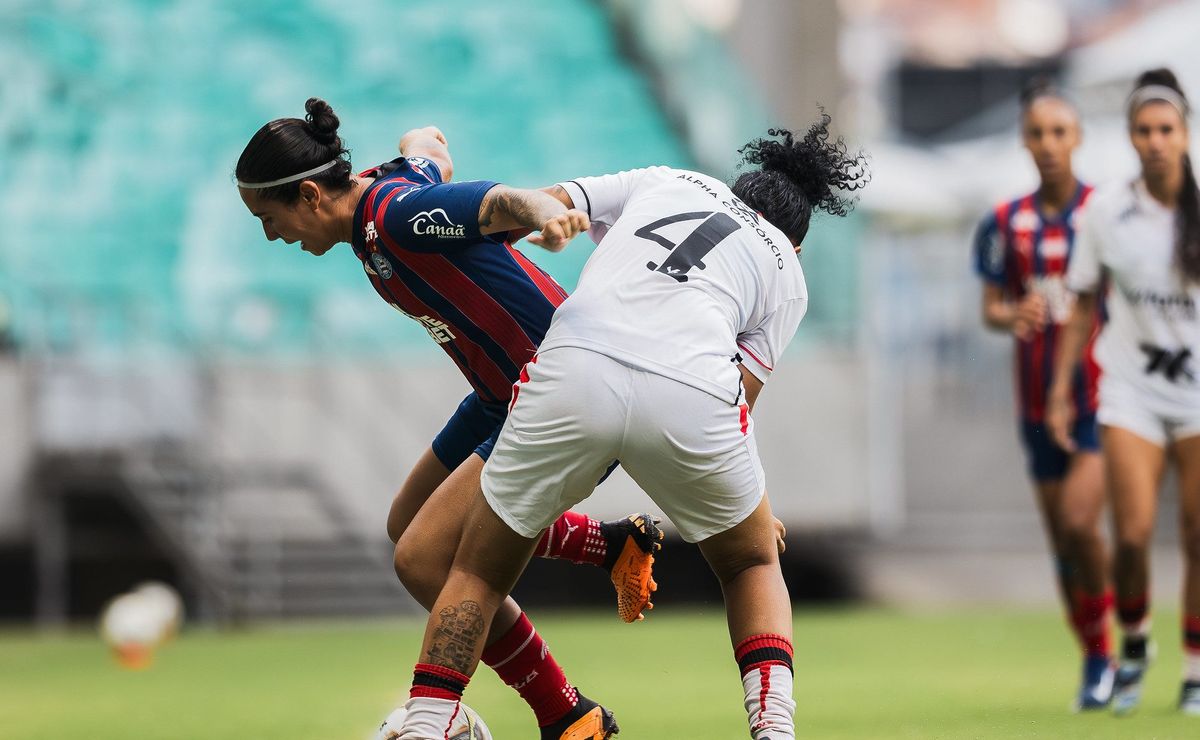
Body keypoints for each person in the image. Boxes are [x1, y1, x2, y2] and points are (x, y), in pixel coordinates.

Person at [395, 115, 869, 740]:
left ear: (735, 187)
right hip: (692, 392)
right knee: (751, 563)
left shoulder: (670, 180)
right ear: (797, 243)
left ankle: (427, 724)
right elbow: (740, 399)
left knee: (477, 571)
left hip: (575, 365)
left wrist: (545, 224)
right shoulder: (787, 268)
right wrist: (751, 507)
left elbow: (549, 203)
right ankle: (774, 727)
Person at [235, 98, 665, 738]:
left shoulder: (397, 217)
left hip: (556, 395)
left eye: (269, 219)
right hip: (499, 394)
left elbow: (494, 202)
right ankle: (609, 546)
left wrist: (546, 214)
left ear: (309, 195)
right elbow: (429, 151)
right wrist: (420, 138)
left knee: (422, 559)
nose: (272, 236)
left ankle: (567, 715)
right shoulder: (385, 192)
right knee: (405, 522)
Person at [1048, 67, 1200, 716]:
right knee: (1132, 535)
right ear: (1131, 137)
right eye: (1144, 130)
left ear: (1185, 134)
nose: (1156, 141)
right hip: (1131, 390)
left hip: (1196, 396)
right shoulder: (1107, 211)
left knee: (1197, 534)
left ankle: (1195, 669)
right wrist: (1061, 389)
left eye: (1166, 129)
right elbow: (1081, 304)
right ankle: (1135, 641)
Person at [973, 79, 1113, 710]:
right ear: (1024, 142)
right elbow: (990, 309)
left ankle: (1116, 645)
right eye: (1038, 133)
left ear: (1077, 138)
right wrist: (1013, 314)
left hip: (1101, 397)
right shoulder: (1006, 222)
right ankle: (1094, 656)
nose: (1049, 144)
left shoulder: (1105, 214)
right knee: (1062, 542)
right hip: (1033, 402)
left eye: (1060, 132)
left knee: (1083, 523)